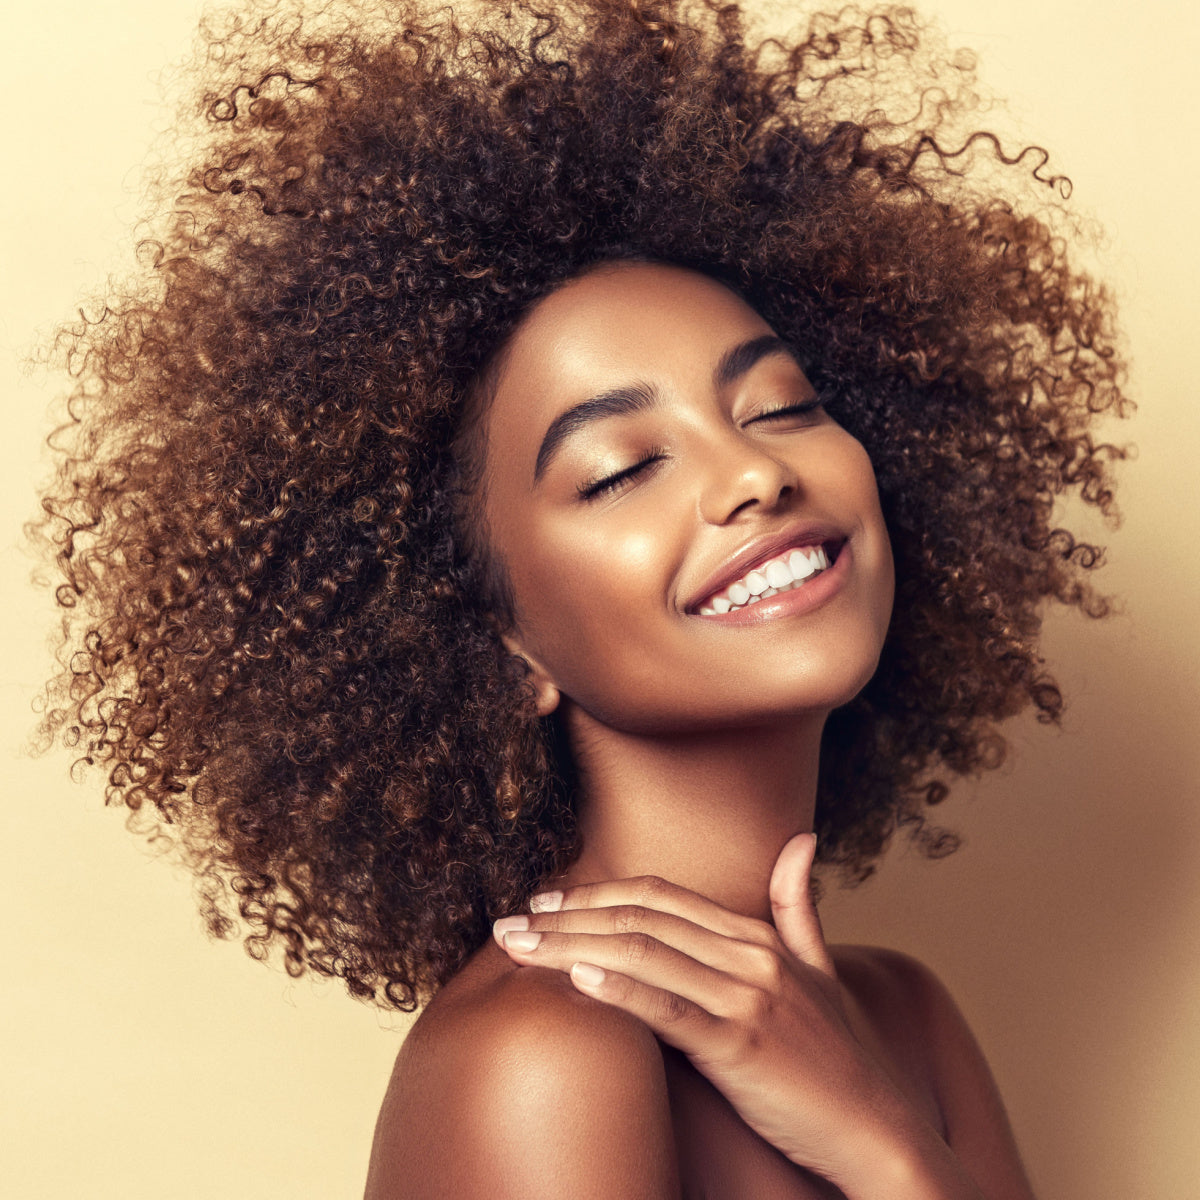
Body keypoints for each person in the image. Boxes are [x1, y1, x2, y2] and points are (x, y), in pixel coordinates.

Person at [34, 0, 1127, 1195]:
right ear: (500, 639)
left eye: (783, 407)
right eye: (623, 469)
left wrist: (881, 1141)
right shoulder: (543, 1053)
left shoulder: (901, 1018)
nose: (756, 474)